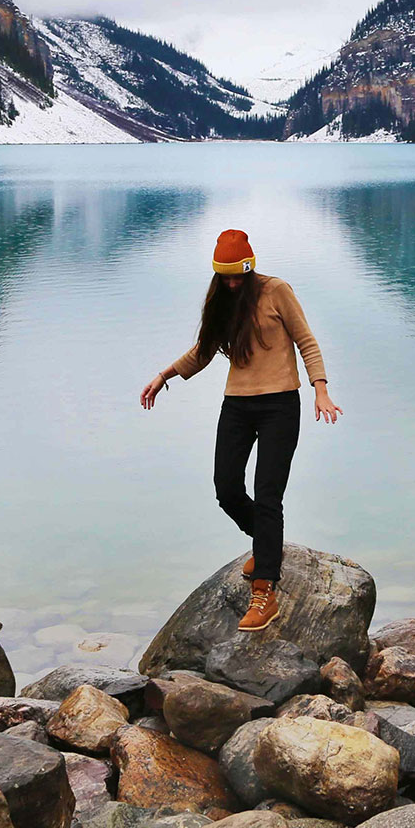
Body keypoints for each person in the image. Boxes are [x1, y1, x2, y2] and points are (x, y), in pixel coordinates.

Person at [140, 228, 340, 631]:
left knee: (268, 494)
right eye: (225, 277)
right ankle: (269, 544)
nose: (232, 283)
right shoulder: (222, 302)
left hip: (280, 404)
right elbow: (204, 350)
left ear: (249, 269)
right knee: (226, 488)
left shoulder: (276, 290)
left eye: (237, 276)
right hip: (237, 405)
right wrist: (165, 376)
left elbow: (307, 342)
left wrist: (320, 390)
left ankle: (265, 590)